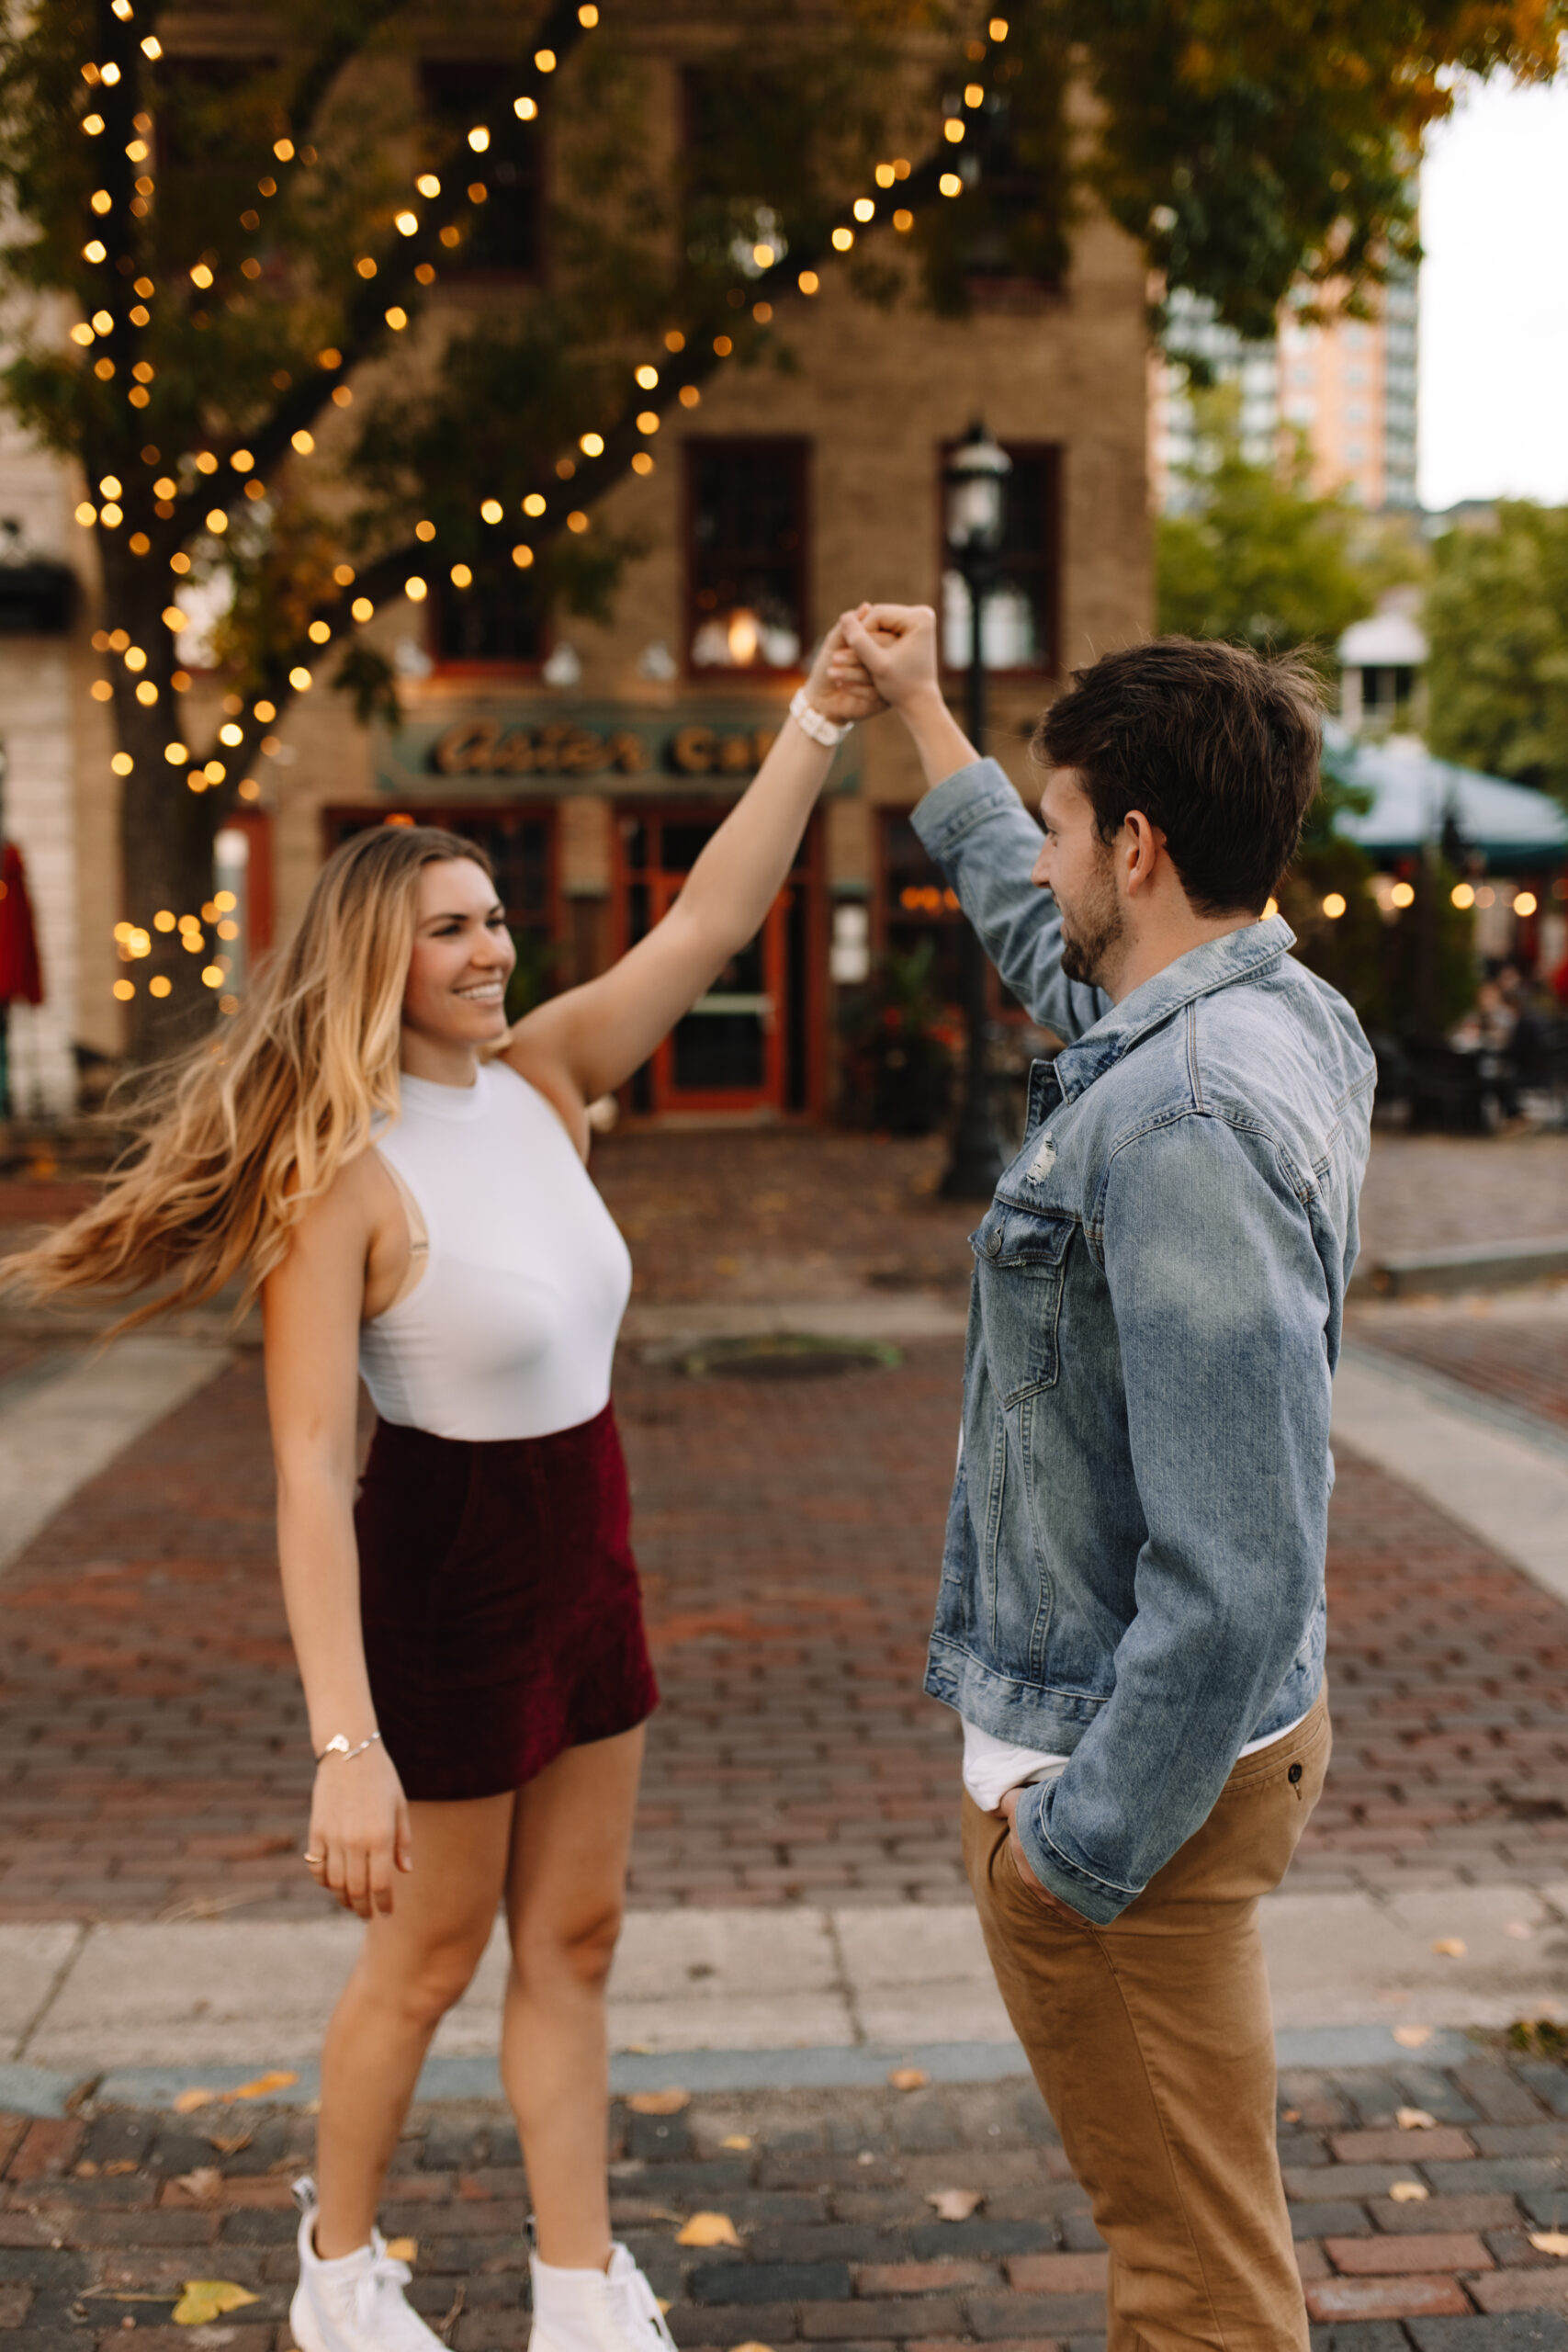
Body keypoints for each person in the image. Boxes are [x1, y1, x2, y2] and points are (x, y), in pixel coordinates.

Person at [5, 630, 878, 2352]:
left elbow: (706, 918)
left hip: (590, 1547)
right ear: (376, 961)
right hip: (447, 1576)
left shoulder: (542, 1083)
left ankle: (576, 2288)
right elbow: (310, 1469)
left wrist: (815, 722)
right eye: (455, 927)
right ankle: (337, 2275)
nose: (494, 948)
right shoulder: (339, 1181)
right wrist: (347, 1745)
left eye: (496, 919)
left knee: (583, 1937)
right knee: (429, 1956)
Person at [831, 606, 1374, 2352]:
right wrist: (926, 715)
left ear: (1134, 848)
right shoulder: (1267, 1010)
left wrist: (1074, 1856)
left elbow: (1238, 1565)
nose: (1048, 853)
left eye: (1066, 822)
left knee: (1201, 2291)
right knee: (1198, 2248)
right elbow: (1037, 933)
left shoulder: (1185, 1120)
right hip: (1185, 1767)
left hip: (1135, 1794)